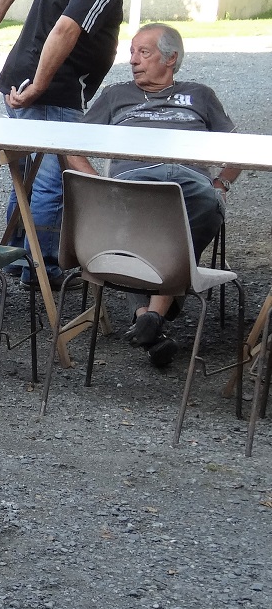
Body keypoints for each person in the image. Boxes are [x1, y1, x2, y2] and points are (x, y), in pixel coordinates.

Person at [0, 0, 172, 285]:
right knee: (52, 183)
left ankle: (19, 259)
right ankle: (41, 271)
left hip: (22, 80)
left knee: (26, 176)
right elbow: (66, 29)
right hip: (52, 93)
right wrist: (41, 86)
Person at [63, 24, 240, 368]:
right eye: (131, 53)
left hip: (189, 184)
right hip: (134, 185)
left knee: (203, 204)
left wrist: (221, 184)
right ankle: (157, 313)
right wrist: (97, 185)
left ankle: (146, 316)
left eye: (143, 53)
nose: (133, 61)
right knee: (137, 226)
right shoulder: (117, 95)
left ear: (171, 58)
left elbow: (237, 146)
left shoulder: (200, 94)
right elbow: (71, 144)